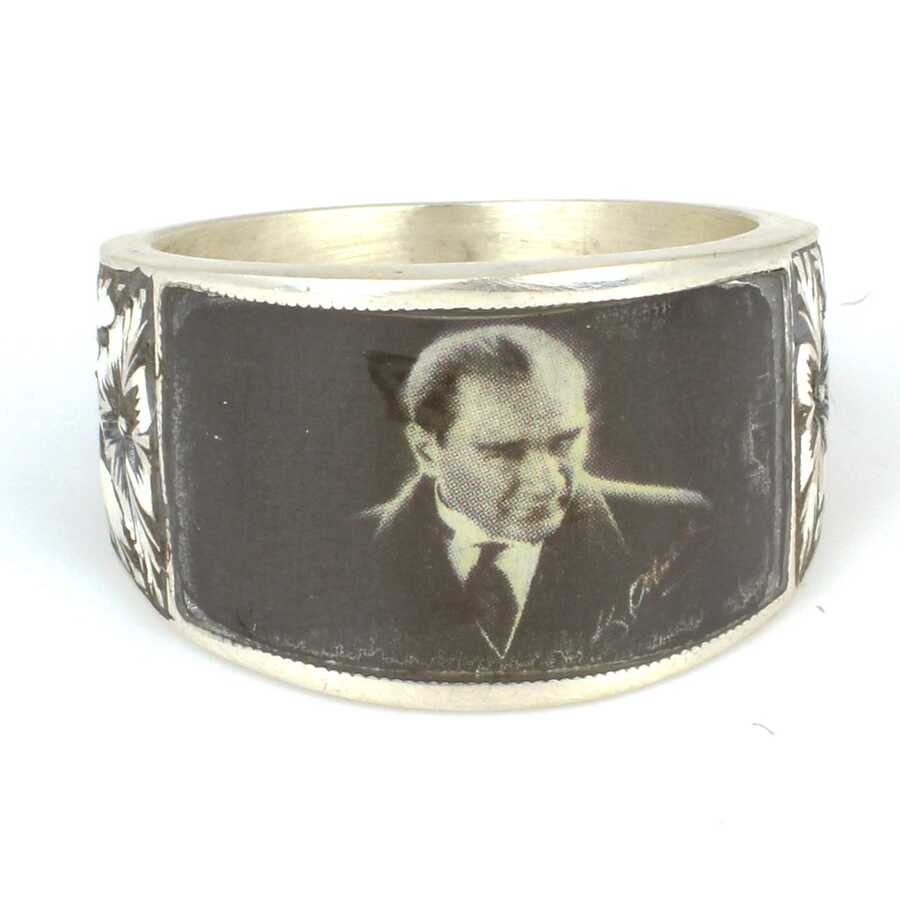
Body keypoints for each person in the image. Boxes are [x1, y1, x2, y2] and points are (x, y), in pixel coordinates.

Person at [352, 324, 713, 674]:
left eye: (564, 442)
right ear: (427, 451)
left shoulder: (681, 527)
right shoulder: (341, 551)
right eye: (504, 452)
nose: (546, 483)